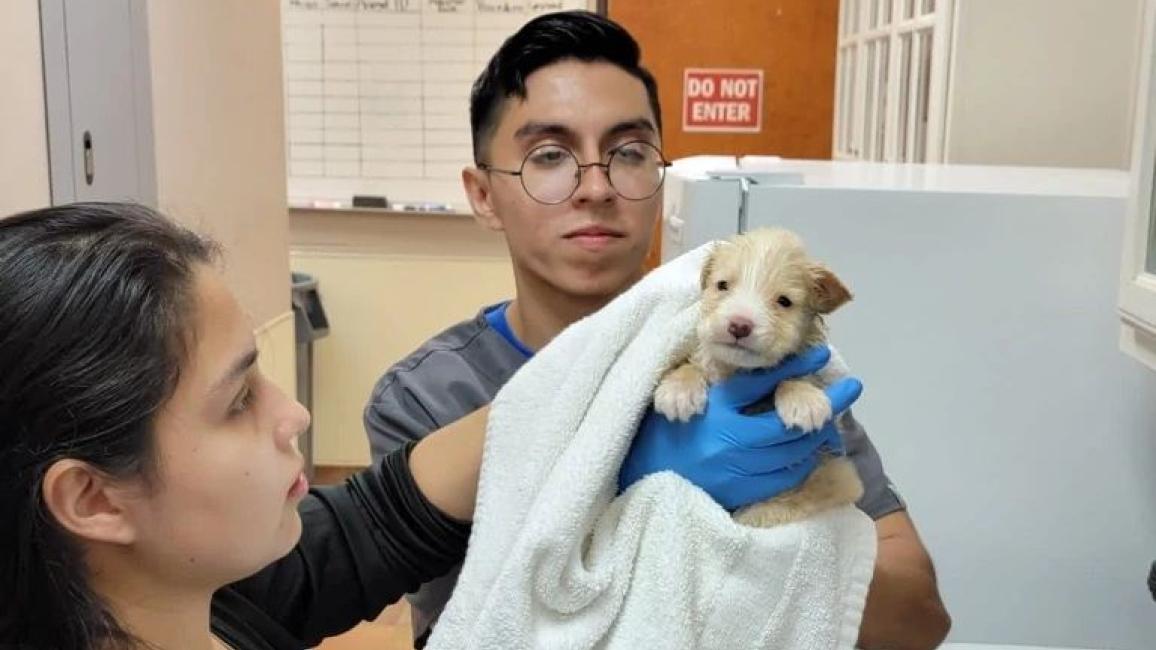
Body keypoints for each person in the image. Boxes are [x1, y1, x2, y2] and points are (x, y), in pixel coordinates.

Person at [0, 202, 861, 649]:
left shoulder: (213, 600)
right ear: (93, 498)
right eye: (237, 400)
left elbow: (376, 519)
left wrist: (608, 419)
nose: (295, 413)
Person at [364, 10, 951, 650]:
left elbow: (919, 619)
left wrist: (789, 530)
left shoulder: (768, 365)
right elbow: (480, 625)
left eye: (629, 153)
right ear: (483, 194)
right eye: (550, 155)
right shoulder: (431, 397)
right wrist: (632, 483)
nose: (596, 187)